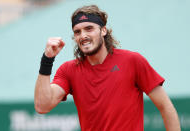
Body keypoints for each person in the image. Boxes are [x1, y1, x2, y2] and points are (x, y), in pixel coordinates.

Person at [35, 5, 181, 131]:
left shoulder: (132, 61)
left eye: (89, 28)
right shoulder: (68, 70)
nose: (83, 35)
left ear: (103, 31)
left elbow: (165, 107)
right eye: (77, 32)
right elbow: (42, 106)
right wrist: (47, 59)